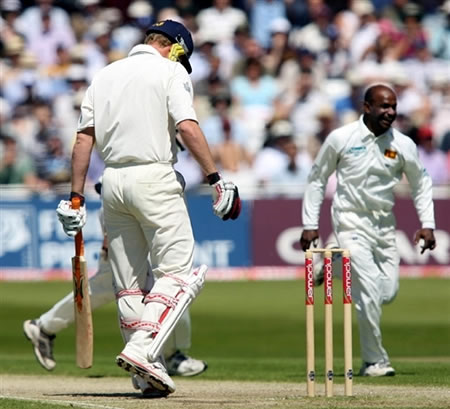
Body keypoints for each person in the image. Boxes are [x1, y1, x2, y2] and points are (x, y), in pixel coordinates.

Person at [55, 19, 241, 397]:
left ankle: (145, 375)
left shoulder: (104, 74)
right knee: (180, 274)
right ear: (174, 47)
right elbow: (187, 127)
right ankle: (142, 349)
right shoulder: (171, 70)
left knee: (130, 285)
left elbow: (82, 140)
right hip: (154, 178)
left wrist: (75, 197)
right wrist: (215, 178)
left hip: (113, 183)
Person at [300, 84, 436, 377]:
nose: (390, 112)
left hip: (384, 224)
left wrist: (428, 224)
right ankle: (374, 361)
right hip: (349, 221)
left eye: (393, 106)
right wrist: (310, 224)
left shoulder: (403, 144)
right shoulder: (342, 138)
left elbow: (421, 183)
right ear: (366, 107)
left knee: (387, 292)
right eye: (383, 106)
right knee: (370, 290)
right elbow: (317, 178)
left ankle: (335, 262)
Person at [23, 181, 208, 394]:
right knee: (167, 281)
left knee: (151, 282)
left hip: (139, 200)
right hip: (130, 203)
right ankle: (167, 356)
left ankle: (44, 327)